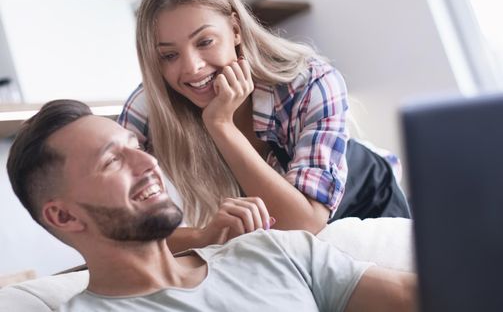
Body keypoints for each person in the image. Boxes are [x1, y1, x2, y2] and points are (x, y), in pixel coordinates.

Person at [7, 100, 416, 312]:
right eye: (113, 160)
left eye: (136, 147)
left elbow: (416, 298)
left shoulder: (272, 249)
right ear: (63, 216)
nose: (148, 163)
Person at [119, 0, 410, 252]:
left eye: (205, 42)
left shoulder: (310, 82)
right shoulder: (148, 108)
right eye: (170, 55)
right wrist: (203, 235)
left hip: (366, 202)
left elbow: (303, 223)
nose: (192, 67)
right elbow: (117, 228)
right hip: (280, 231)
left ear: (234, 30)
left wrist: (221, 125)